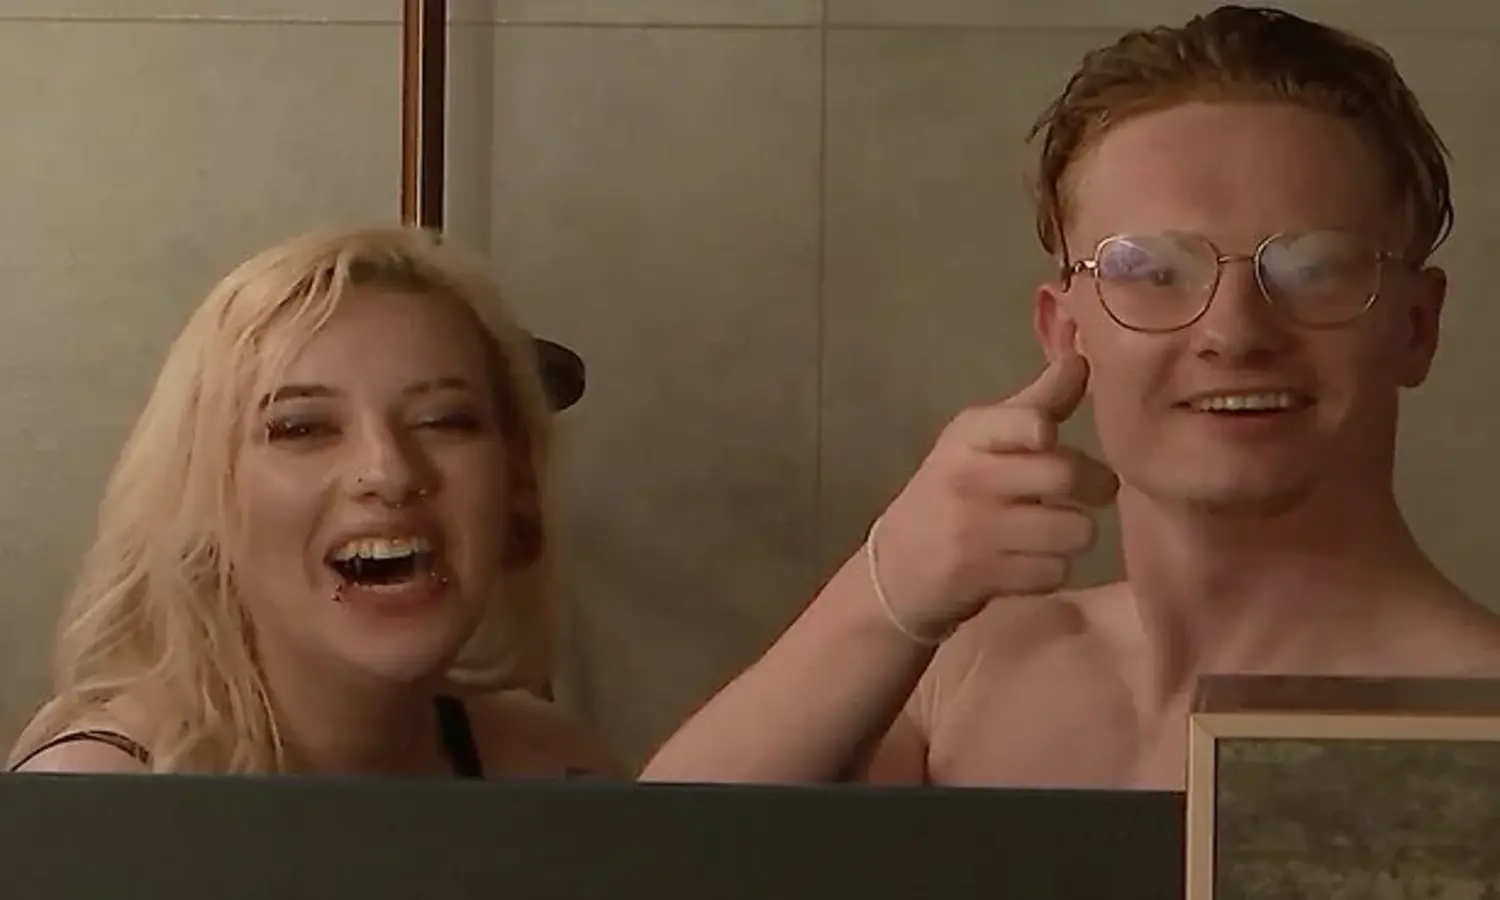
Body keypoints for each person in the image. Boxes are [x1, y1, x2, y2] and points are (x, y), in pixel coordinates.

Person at [641, 4, 1500, 791]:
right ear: (1065, 331)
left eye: (1312, 270)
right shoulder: (971, 682)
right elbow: (640, 866)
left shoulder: (1480, 716)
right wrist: (887, 587)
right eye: (1151, 272)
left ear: (1416, 327)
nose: (1234, 333)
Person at [8, 226, 619, 778]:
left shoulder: (553, 768)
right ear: (202, 500)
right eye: (302, 428)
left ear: (517, 485)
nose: (389, 472)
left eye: (443, 420)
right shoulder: (98, 793)